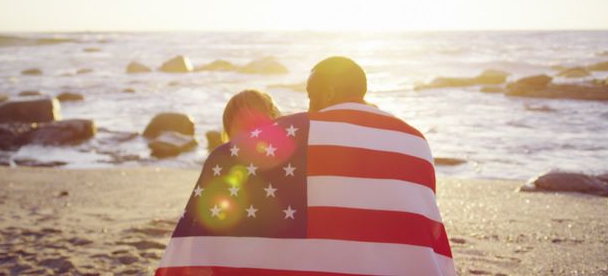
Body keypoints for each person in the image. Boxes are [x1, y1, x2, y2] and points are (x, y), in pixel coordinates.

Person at [156, 57, 455, 276]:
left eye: (311, 96)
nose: (309, 105)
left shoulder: (301, 130)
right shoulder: (415, 140)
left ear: (327, 93)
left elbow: (223, 158)